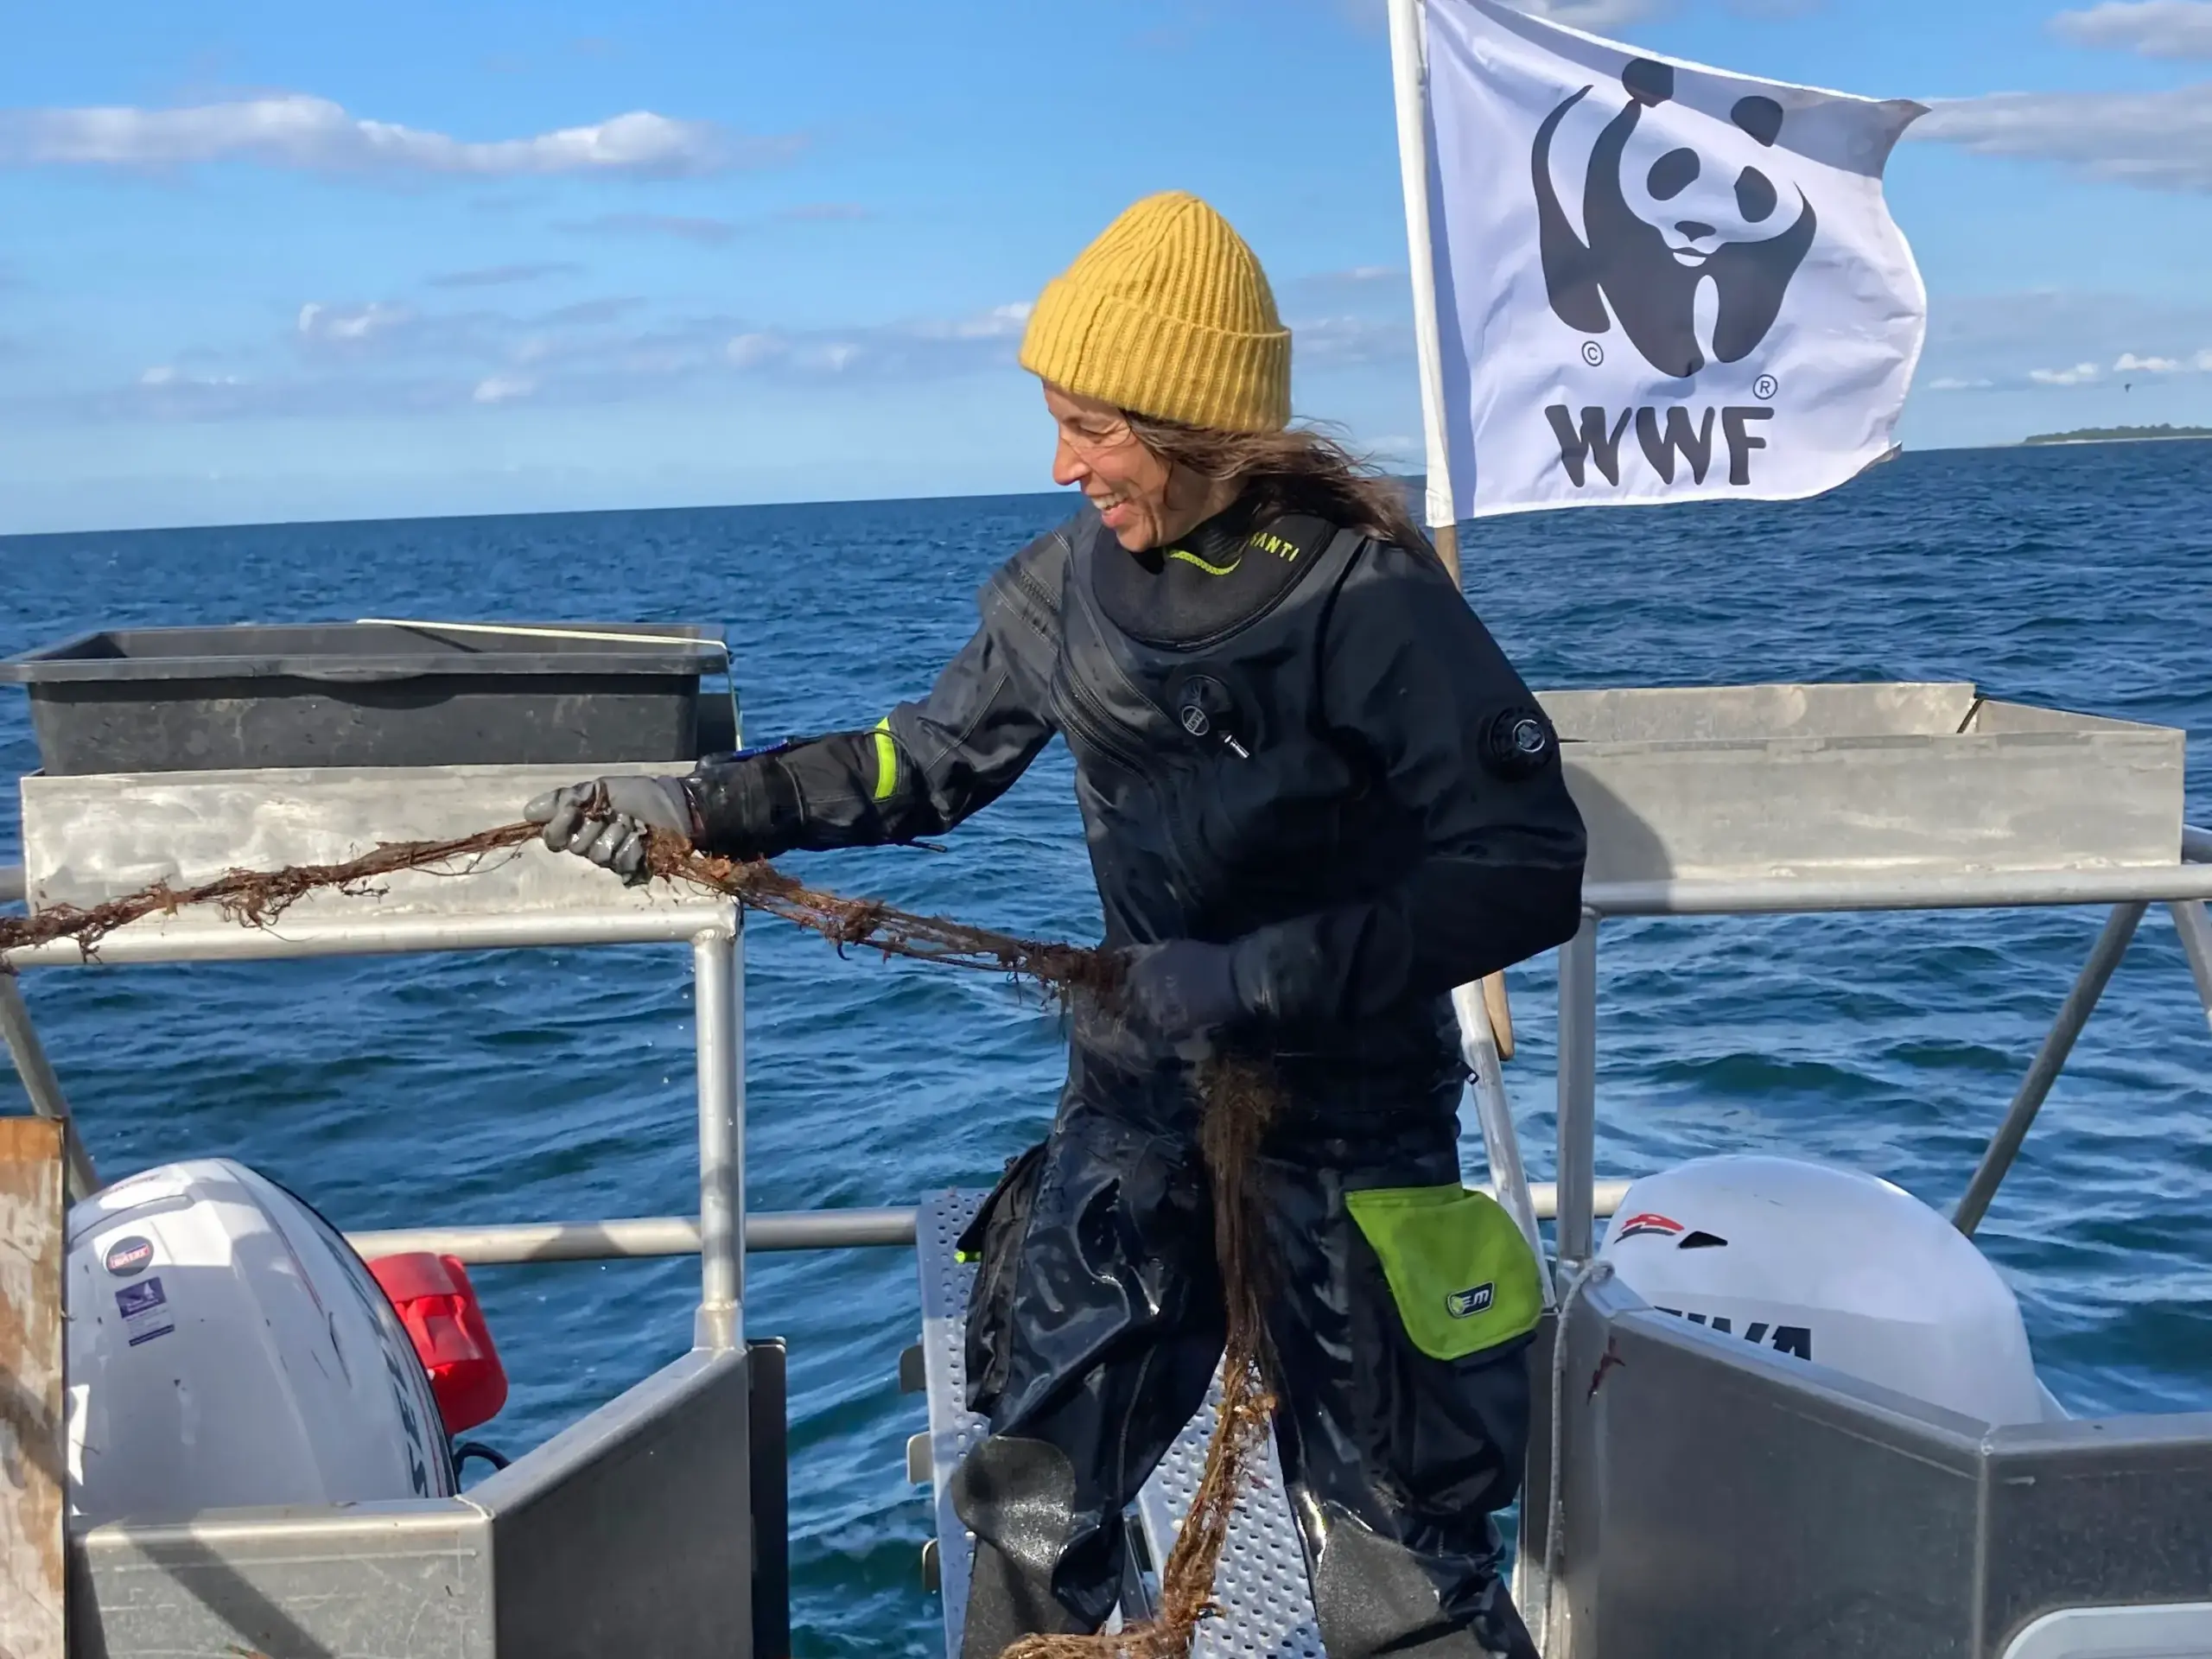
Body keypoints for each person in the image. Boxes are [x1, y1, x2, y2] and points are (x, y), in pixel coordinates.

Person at [526, 191, 1586, 1659]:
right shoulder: (1057, 596)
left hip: (1354, 1143)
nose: (1063, 462)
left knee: (1399, 1591)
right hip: (1137, 1126)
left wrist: (1259, 976)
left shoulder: (1371, 604)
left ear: (1199, 423)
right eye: (1057, 420)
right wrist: (697, 806)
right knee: (1026, 1517)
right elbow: (918, 764)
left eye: (1094, 427)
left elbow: (1527, 865)